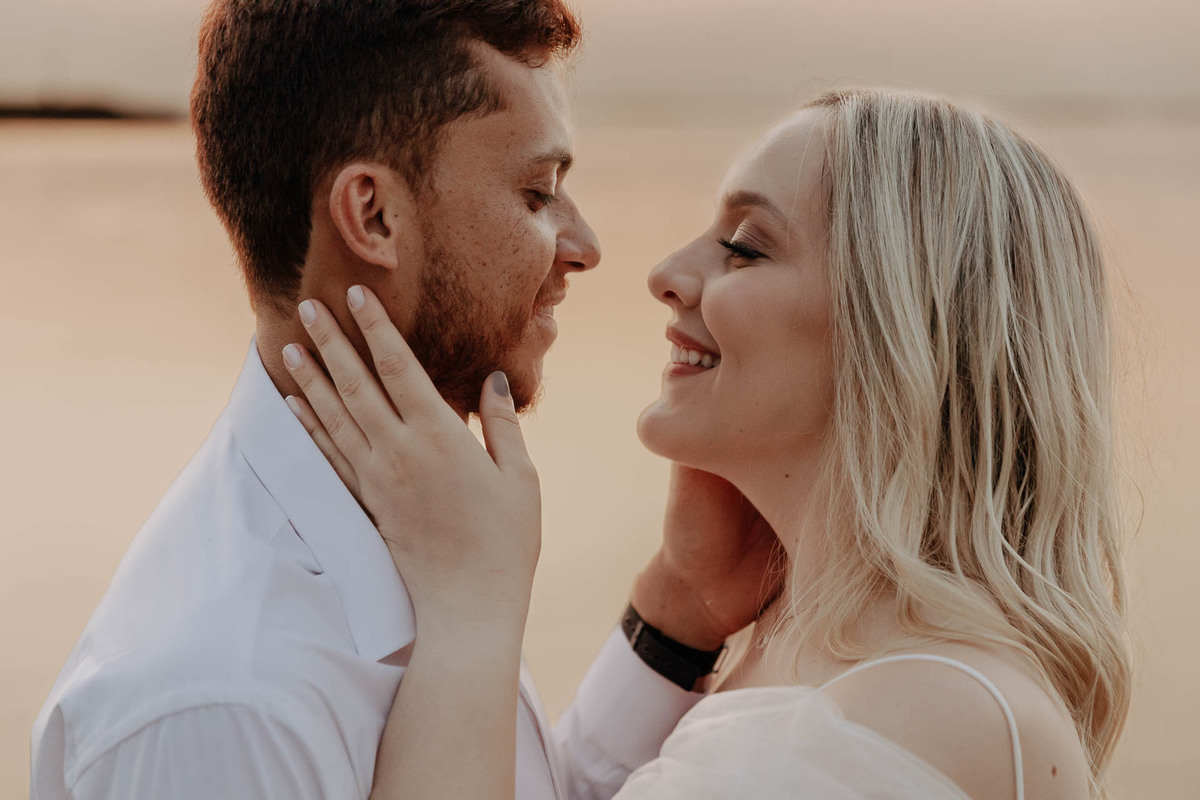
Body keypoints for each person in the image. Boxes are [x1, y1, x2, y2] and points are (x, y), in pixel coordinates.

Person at [289, 89, 1132, 799]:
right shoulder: (849, 675)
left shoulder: (904, 715)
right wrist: (675, 616)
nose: (666, 274)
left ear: (904, 333)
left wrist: (470, 604)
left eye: (745, 248)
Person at [33, 2, 776, 798]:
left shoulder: (431, 530)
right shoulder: (223, 707)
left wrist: (674, 618)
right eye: (536, 194)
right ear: (374, 215)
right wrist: (476, 617)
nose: (585, 247)